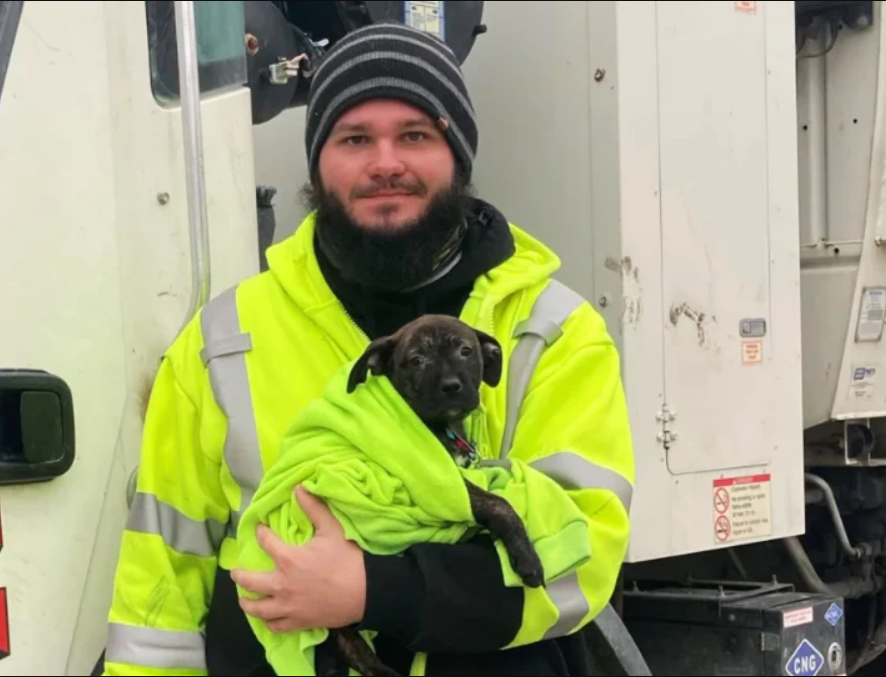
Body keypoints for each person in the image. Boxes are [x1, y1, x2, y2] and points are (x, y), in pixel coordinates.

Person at [102, 20, 635, 677]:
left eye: (415, 135)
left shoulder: (552, 331)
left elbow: (583, 553)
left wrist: (371, 589)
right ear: (317, 164)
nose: (385, 163)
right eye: (354, 138)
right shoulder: (221, 340)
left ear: (457, 157)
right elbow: (160, 588)